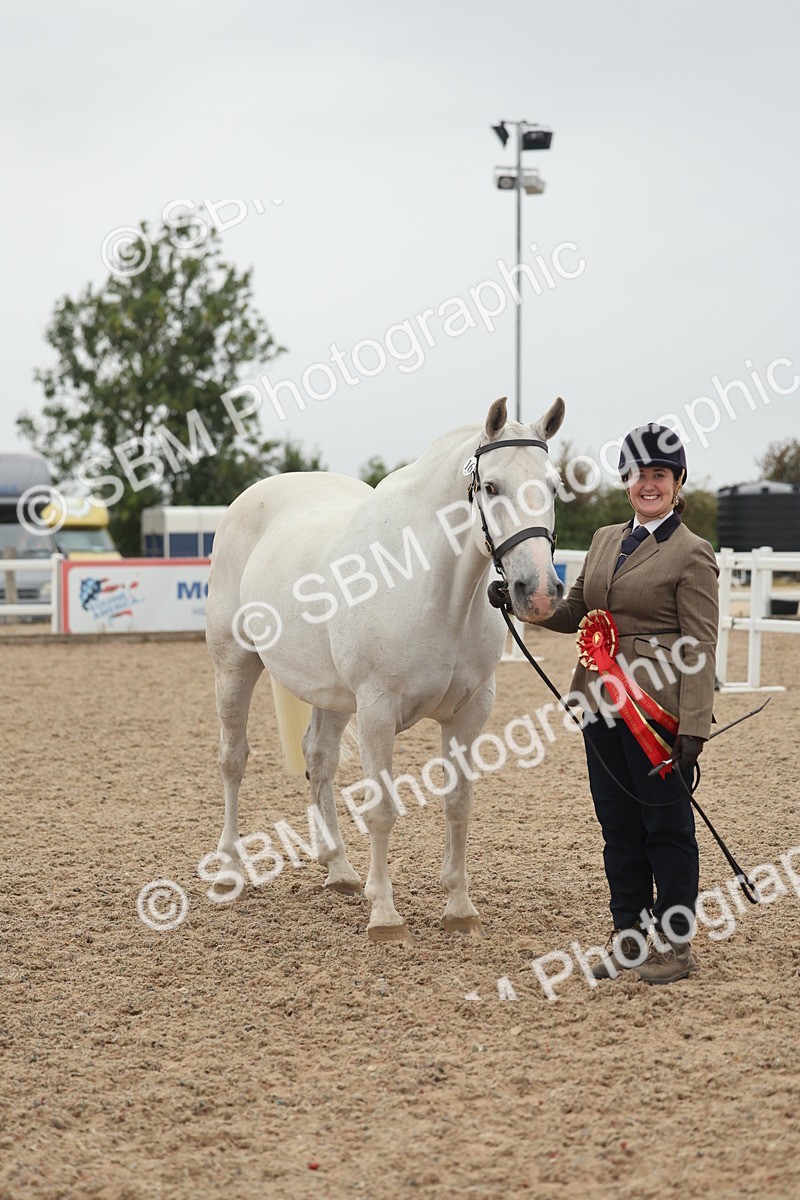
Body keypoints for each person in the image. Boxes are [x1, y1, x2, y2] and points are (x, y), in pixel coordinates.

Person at [539, 423, 719, 984]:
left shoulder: (692, 553)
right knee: (617, 825)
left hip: (657, 714)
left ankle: (676, 943)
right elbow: (577, 612)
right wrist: (529, 605)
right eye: (638, 473)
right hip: (598, 704)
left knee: (665, 826)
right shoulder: (603, 540)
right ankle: (630, 938)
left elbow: (702, 645)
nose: (648, 484)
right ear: (625, 480)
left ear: (677, 481)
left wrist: (693, 727)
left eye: (659, 475)